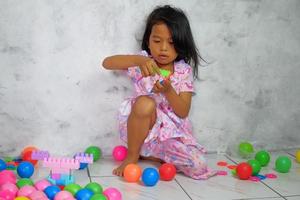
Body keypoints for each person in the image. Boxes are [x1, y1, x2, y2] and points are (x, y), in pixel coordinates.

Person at [102, 5, 216, 179]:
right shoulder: (143, 63)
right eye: (157, 41)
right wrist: (138, 60)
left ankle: (154, 153)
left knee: (198, 164)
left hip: (169, 135)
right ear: (148, 41)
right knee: (146, 102)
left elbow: (183, 111)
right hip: (142, 127)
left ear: (181, 44)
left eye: (171, 43)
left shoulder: (182, 72)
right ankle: (133, 154)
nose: (163, 48)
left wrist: (169, 90)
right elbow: (107, 63)